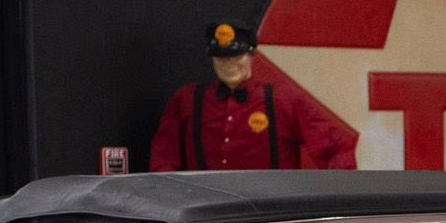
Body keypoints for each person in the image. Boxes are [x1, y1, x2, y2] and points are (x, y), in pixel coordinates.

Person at [149, 20, 357, 171]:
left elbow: (336, 146)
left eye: (235, 57)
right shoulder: (187, 100)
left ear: (250, 55)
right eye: (221, 59)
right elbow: (164, 156)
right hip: (206, 213)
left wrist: (337, 200)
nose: (228, 65)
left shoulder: (284, 100)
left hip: (268, 213)